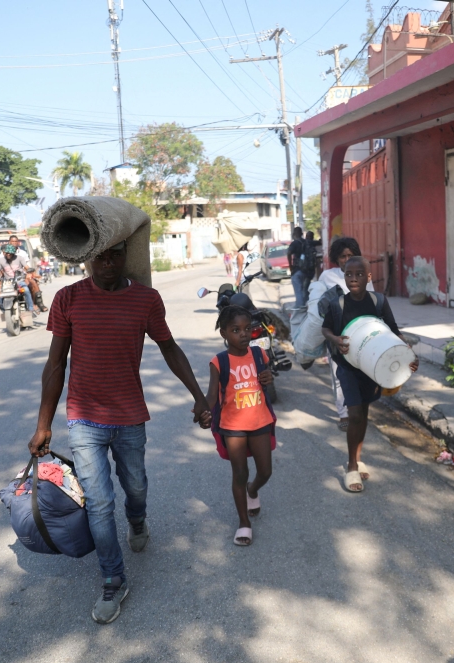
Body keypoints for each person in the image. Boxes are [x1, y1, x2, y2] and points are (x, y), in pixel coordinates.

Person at [27, 239, 213, 624]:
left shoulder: (146, 299)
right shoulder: (68, 298)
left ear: (126, 256)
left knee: (137, 486)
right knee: (98, 502)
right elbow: (55, 365)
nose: (107, 262)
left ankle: (138, 519)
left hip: (129, 417)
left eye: (115, 254)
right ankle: (113, 579)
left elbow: (169, 347)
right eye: (100, 255)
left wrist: (199, 396)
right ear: (88, 256)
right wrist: (43, 424)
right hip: (83, 418)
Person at [321, 256, 418, 493]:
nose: (353, 279)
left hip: (373, 367)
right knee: (354, 414)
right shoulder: (338, 304)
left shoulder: (378, 301)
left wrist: (407, 355)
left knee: (363, 413)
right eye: (349, 274)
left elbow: (394, 332)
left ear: (369, 277)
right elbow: (325, 328)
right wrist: (336, 339)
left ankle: (358, 456)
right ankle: (352, 466)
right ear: (344, 276)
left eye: (359, 274)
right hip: (348, 366)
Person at [205, 305, 275, 547]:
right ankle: (244, 522)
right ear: (224, 333)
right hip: (233, 426)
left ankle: (252, 490)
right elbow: (212, 395)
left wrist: (268, 377)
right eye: (236, 330)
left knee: (265, 471)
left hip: (259, 421)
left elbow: (266, 378)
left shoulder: (259, 355)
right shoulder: (219, 362)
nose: (243, 334)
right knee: (239, 473)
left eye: (247, 329)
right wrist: (202, 409)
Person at [316, 237, 374, 431]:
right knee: (339, 375)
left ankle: (358, 409)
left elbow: (373, 301)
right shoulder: (327, 277)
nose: (346, 259)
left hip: (362, 334)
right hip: (337, 334)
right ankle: (343, 414)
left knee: (361, 374)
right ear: (336, 258)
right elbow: (319, 305)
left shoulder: (364, 274)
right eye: (343, 256)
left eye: (350, 255)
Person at [0, 244, 35, 316]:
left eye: (10, 254)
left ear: (14, 253)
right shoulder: (0, 260)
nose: (8, 255)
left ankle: (31, 309)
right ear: (4, 252)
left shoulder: (20, 258)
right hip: (7, 283)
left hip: (19, 280)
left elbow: (26, 267)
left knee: (26, 290)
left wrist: (29, 271)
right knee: (0, 294)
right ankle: (4, 311)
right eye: (7, 253)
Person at [8, 235, 48, 312]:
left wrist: (29, 273)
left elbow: (27, 266)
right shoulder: (5, 253)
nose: (14, 243)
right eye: (12, 241)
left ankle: (38, 303)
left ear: (18, 243)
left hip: (21, 276)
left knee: (33, 283)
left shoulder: (22, 253)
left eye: (16, 241)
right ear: (9, 242)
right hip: (9, 278)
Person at [287, 227, 308, 308]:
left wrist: (290, 266)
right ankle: (305, 306)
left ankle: (300, 308)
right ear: (302, 233)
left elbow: (289, 253)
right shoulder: (306, 242)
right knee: (305, 290)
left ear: (294, 234)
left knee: (298, 290)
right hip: (307, 271)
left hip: (297, 270)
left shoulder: (294, 243)